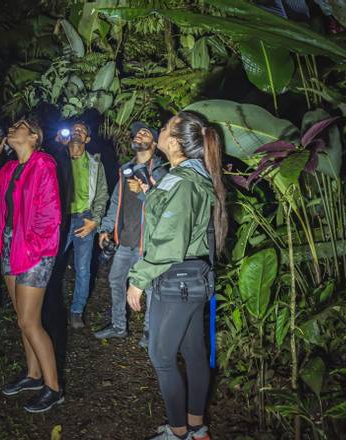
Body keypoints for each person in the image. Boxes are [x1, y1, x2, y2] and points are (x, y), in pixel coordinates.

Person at [126, 111, 228, 440]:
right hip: (193, 276)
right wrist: (149, 193)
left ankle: (178, 431)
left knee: (161, 356)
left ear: (173, 141)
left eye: (166, 125)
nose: (159, 128)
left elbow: (170, 241)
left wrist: (138, 279)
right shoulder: (189, 175)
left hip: (177, 279)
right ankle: (196, 429)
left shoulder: (184, 181)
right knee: (194, 354)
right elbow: (175, 220)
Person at [0, 118, 64, 413]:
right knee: (21, 317)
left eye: (20, 126)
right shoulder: (11, 168)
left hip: (35, 250)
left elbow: (50, 217)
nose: (12, 128)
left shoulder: (44, 164)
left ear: (35, 137)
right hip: (11, 247)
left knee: (29, 321)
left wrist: (35, 249)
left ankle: (53, 388)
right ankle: (33, 375)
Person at [94, 121, 167, 347]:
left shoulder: (161, 172)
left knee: (152, 289)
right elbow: (116, 202)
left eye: (145, 133)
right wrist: (105, 229)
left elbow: (166, 208)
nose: (139, 134)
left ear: (154, 144)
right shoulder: (125, 169)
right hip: (125, 240)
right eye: (137, 133)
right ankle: (118, 326)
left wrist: (145, 192)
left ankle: (149, 332)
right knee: (116, 280)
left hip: (148, 244)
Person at [54, 121, 108, 329]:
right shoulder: (57, 158)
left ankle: (76, 311)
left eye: (82, 130)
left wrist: (95, 220)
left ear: (87, 139)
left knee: (83, 268)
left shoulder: (95, 163)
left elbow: (102, 194)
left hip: (84, 218)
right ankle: (47, 305)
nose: (77, 131)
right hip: (60, 218)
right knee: (51, 263)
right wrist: (58, 146)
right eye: (74, 128)